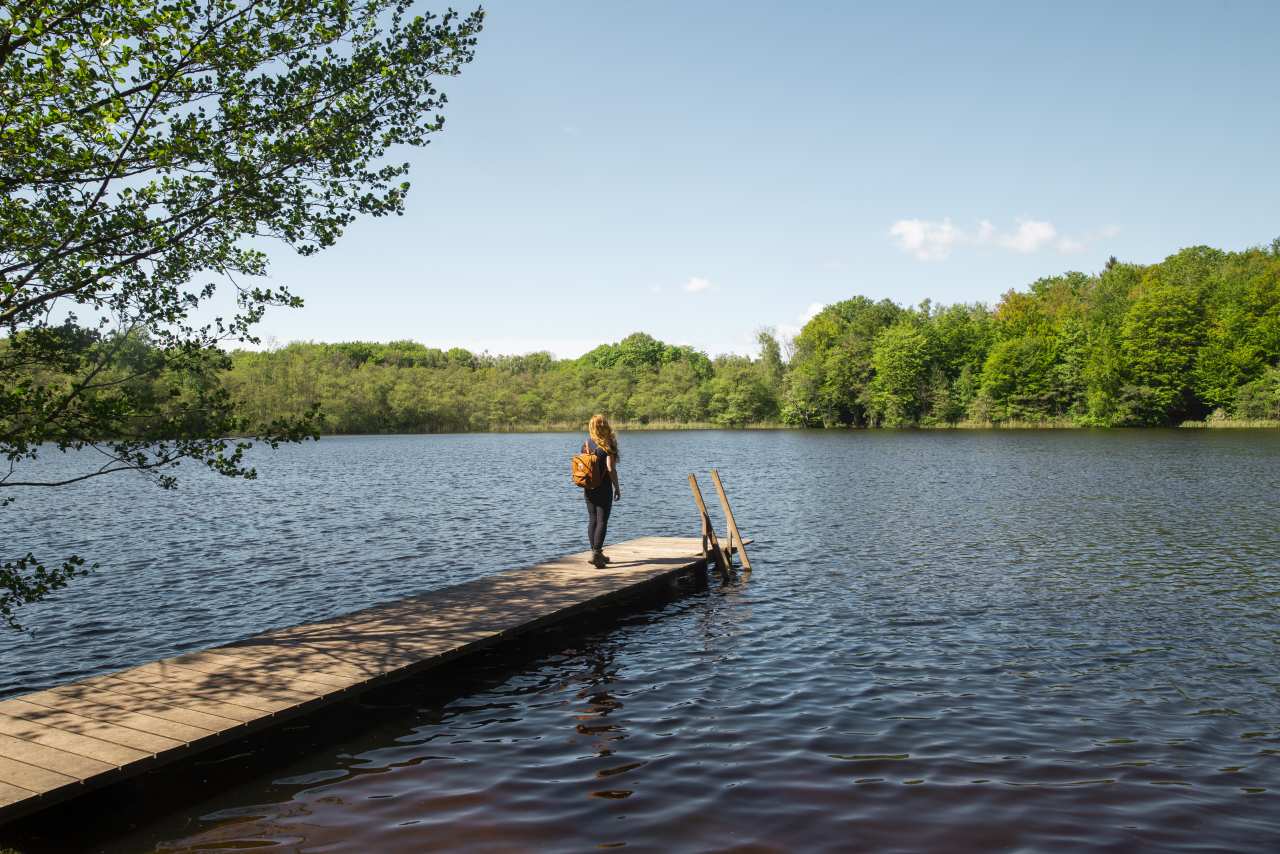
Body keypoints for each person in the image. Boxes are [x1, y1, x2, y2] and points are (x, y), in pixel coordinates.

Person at [582, 414, 621, 567]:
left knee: (592, 519)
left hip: (588, 487)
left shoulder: (586, 444)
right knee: (602, 520)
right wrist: (617, 488)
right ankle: (597, 554)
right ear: (604, 426)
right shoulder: (607, 444)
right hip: (603, 487)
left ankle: (596, 552)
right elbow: (611, 468)